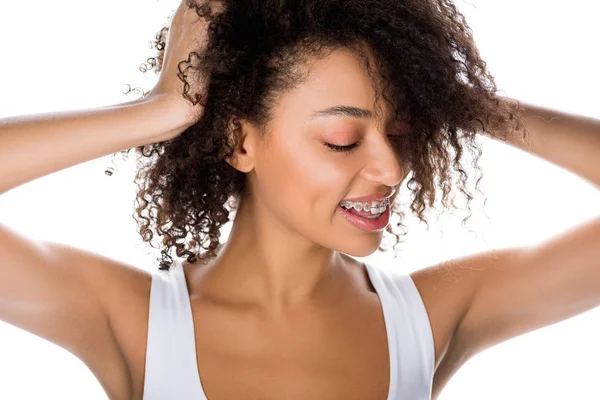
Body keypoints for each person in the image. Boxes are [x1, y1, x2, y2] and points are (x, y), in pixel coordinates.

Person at [1, 0, 599, 399]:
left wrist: (460, 102)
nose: (390, 167)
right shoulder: (135, 323)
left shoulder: (430, 316)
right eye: (343, 140)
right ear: (239, 140)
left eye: (400, 133)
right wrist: (165, 109)